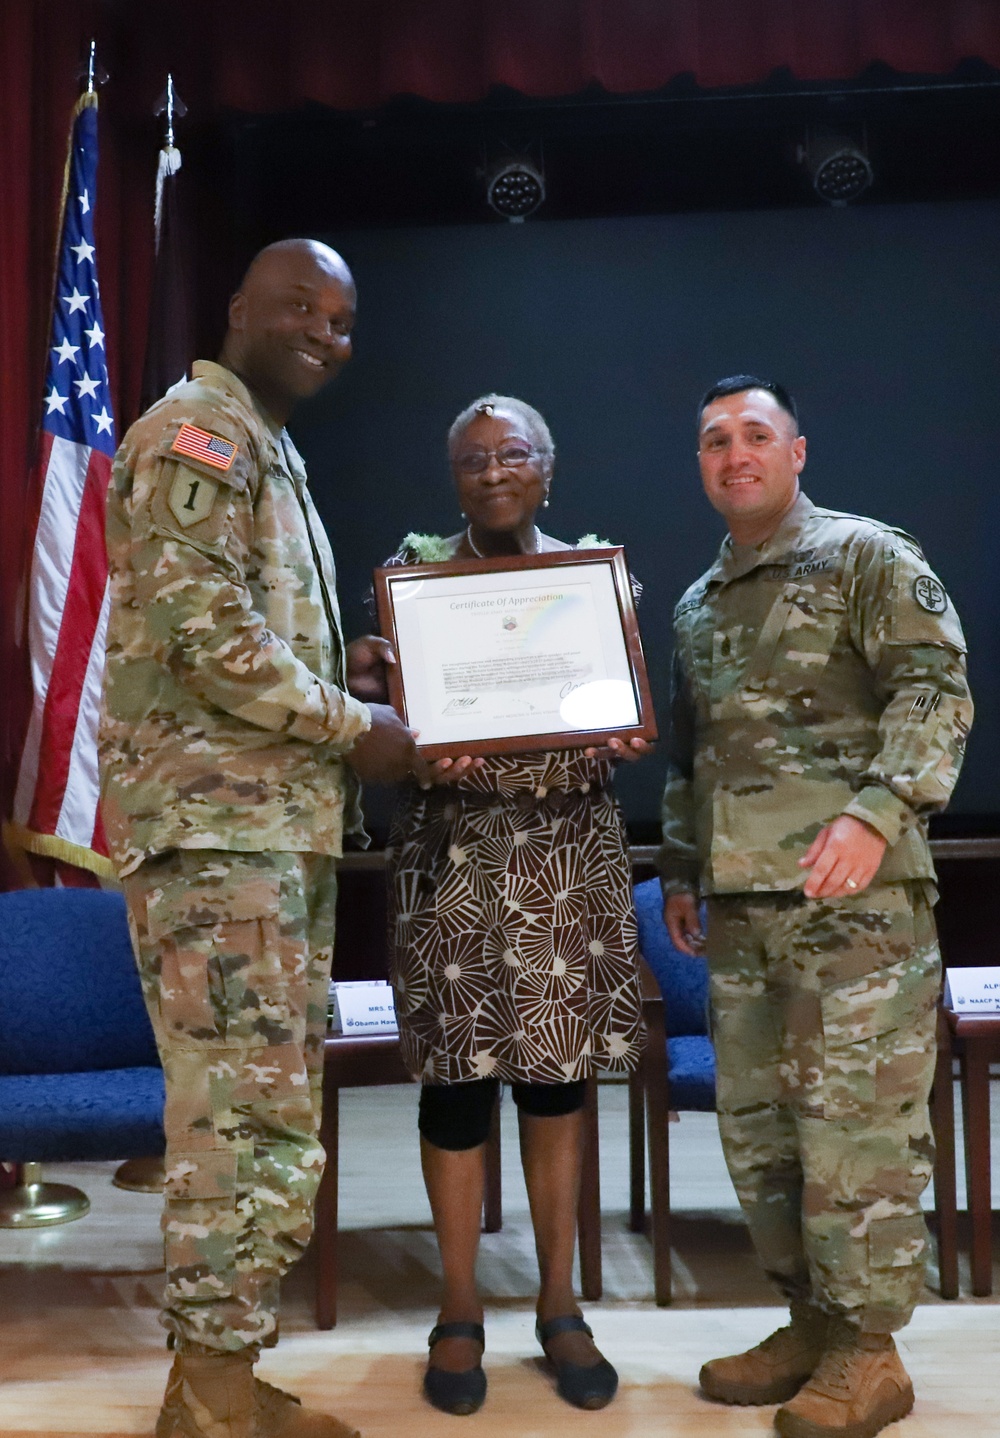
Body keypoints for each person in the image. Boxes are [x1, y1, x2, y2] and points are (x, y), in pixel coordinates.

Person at [99, 239, 420, 1438]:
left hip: (265, 833)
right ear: (238, 310)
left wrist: (352, 672)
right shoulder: (202, 433)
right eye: (299, 306)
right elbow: (204, 636)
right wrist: (356, 724)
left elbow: (246, 637)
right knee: (237, 1121)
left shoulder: (266, 449)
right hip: (220, 836)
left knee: (269, 1115)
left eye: (341, 319)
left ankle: (213, 1383)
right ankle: (216, 1401)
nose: (323, 332)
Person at [659, 375, 972, 1438]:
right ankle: (808, 1319)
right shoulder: (698, 602)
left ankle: (868, 1352)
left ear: (798, 449)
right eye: (712, 440)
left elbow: (935, 687)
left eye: (754, 434)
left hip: (858, 909)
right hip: (743, 912)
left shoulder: (867, 557)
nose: (732, 452)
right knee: (763, 1137)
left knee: (857, 1137)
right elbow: (689, 750)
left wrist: (878, 810)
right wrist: (680, 865)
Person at [348, 394, 651, 1417]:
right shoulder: (414, 580)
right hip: (453, 860)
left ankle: (561, 1305)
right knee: (455, 1085)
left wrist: (623, 724)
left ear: (548, 469)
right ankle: (460, 1306)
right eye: (471, 458)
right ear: (453, 476)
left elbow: (613, 704)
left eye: (510, 453)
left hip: (567, 858)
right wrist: (375, 694)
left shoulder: (593, 576)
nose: (490, 471)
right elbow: (379, 721)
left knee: (557, 1082)